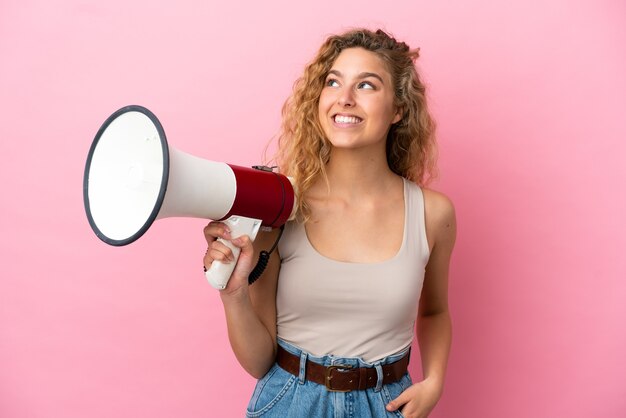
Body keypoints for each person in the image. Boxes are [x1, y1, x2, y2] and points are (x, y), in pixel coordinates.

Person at [203, 28, 456, 418]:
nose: (344, 98)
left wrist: (435, 381)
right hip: (289, 402)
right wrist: (233, 294)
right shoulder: (281, 207)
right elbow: (258, 362)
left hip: (387, 405)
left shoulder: (433, 214)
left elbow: (435, 310)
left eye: (367, 85)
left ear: (399, 109)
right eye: (333, 81)